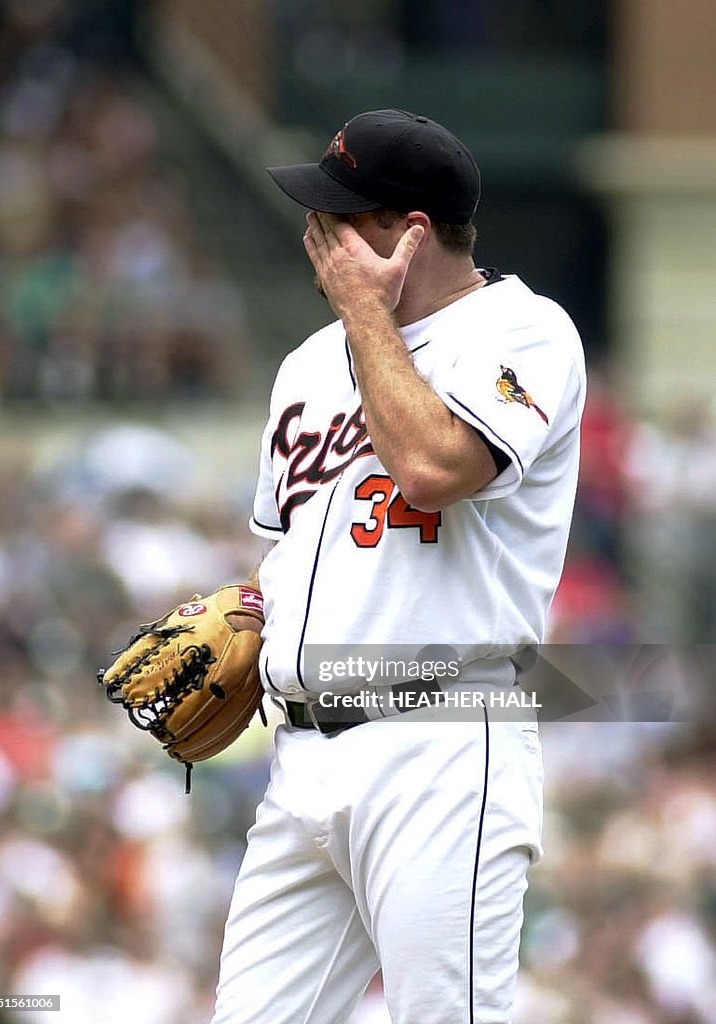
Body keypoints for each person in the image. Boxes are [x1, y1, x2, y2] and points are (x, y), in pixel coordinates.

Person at [211, 109, 586, 1024]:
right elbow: (292, 543)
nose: (316, 233)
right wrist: (255, 617)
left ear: (407, 234)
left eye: (340, 217)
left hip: (441, 744)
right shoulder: (308, 363)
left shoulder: (526, 333)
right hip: (301, 760)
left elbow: (433, 469)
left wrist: (366, 312)